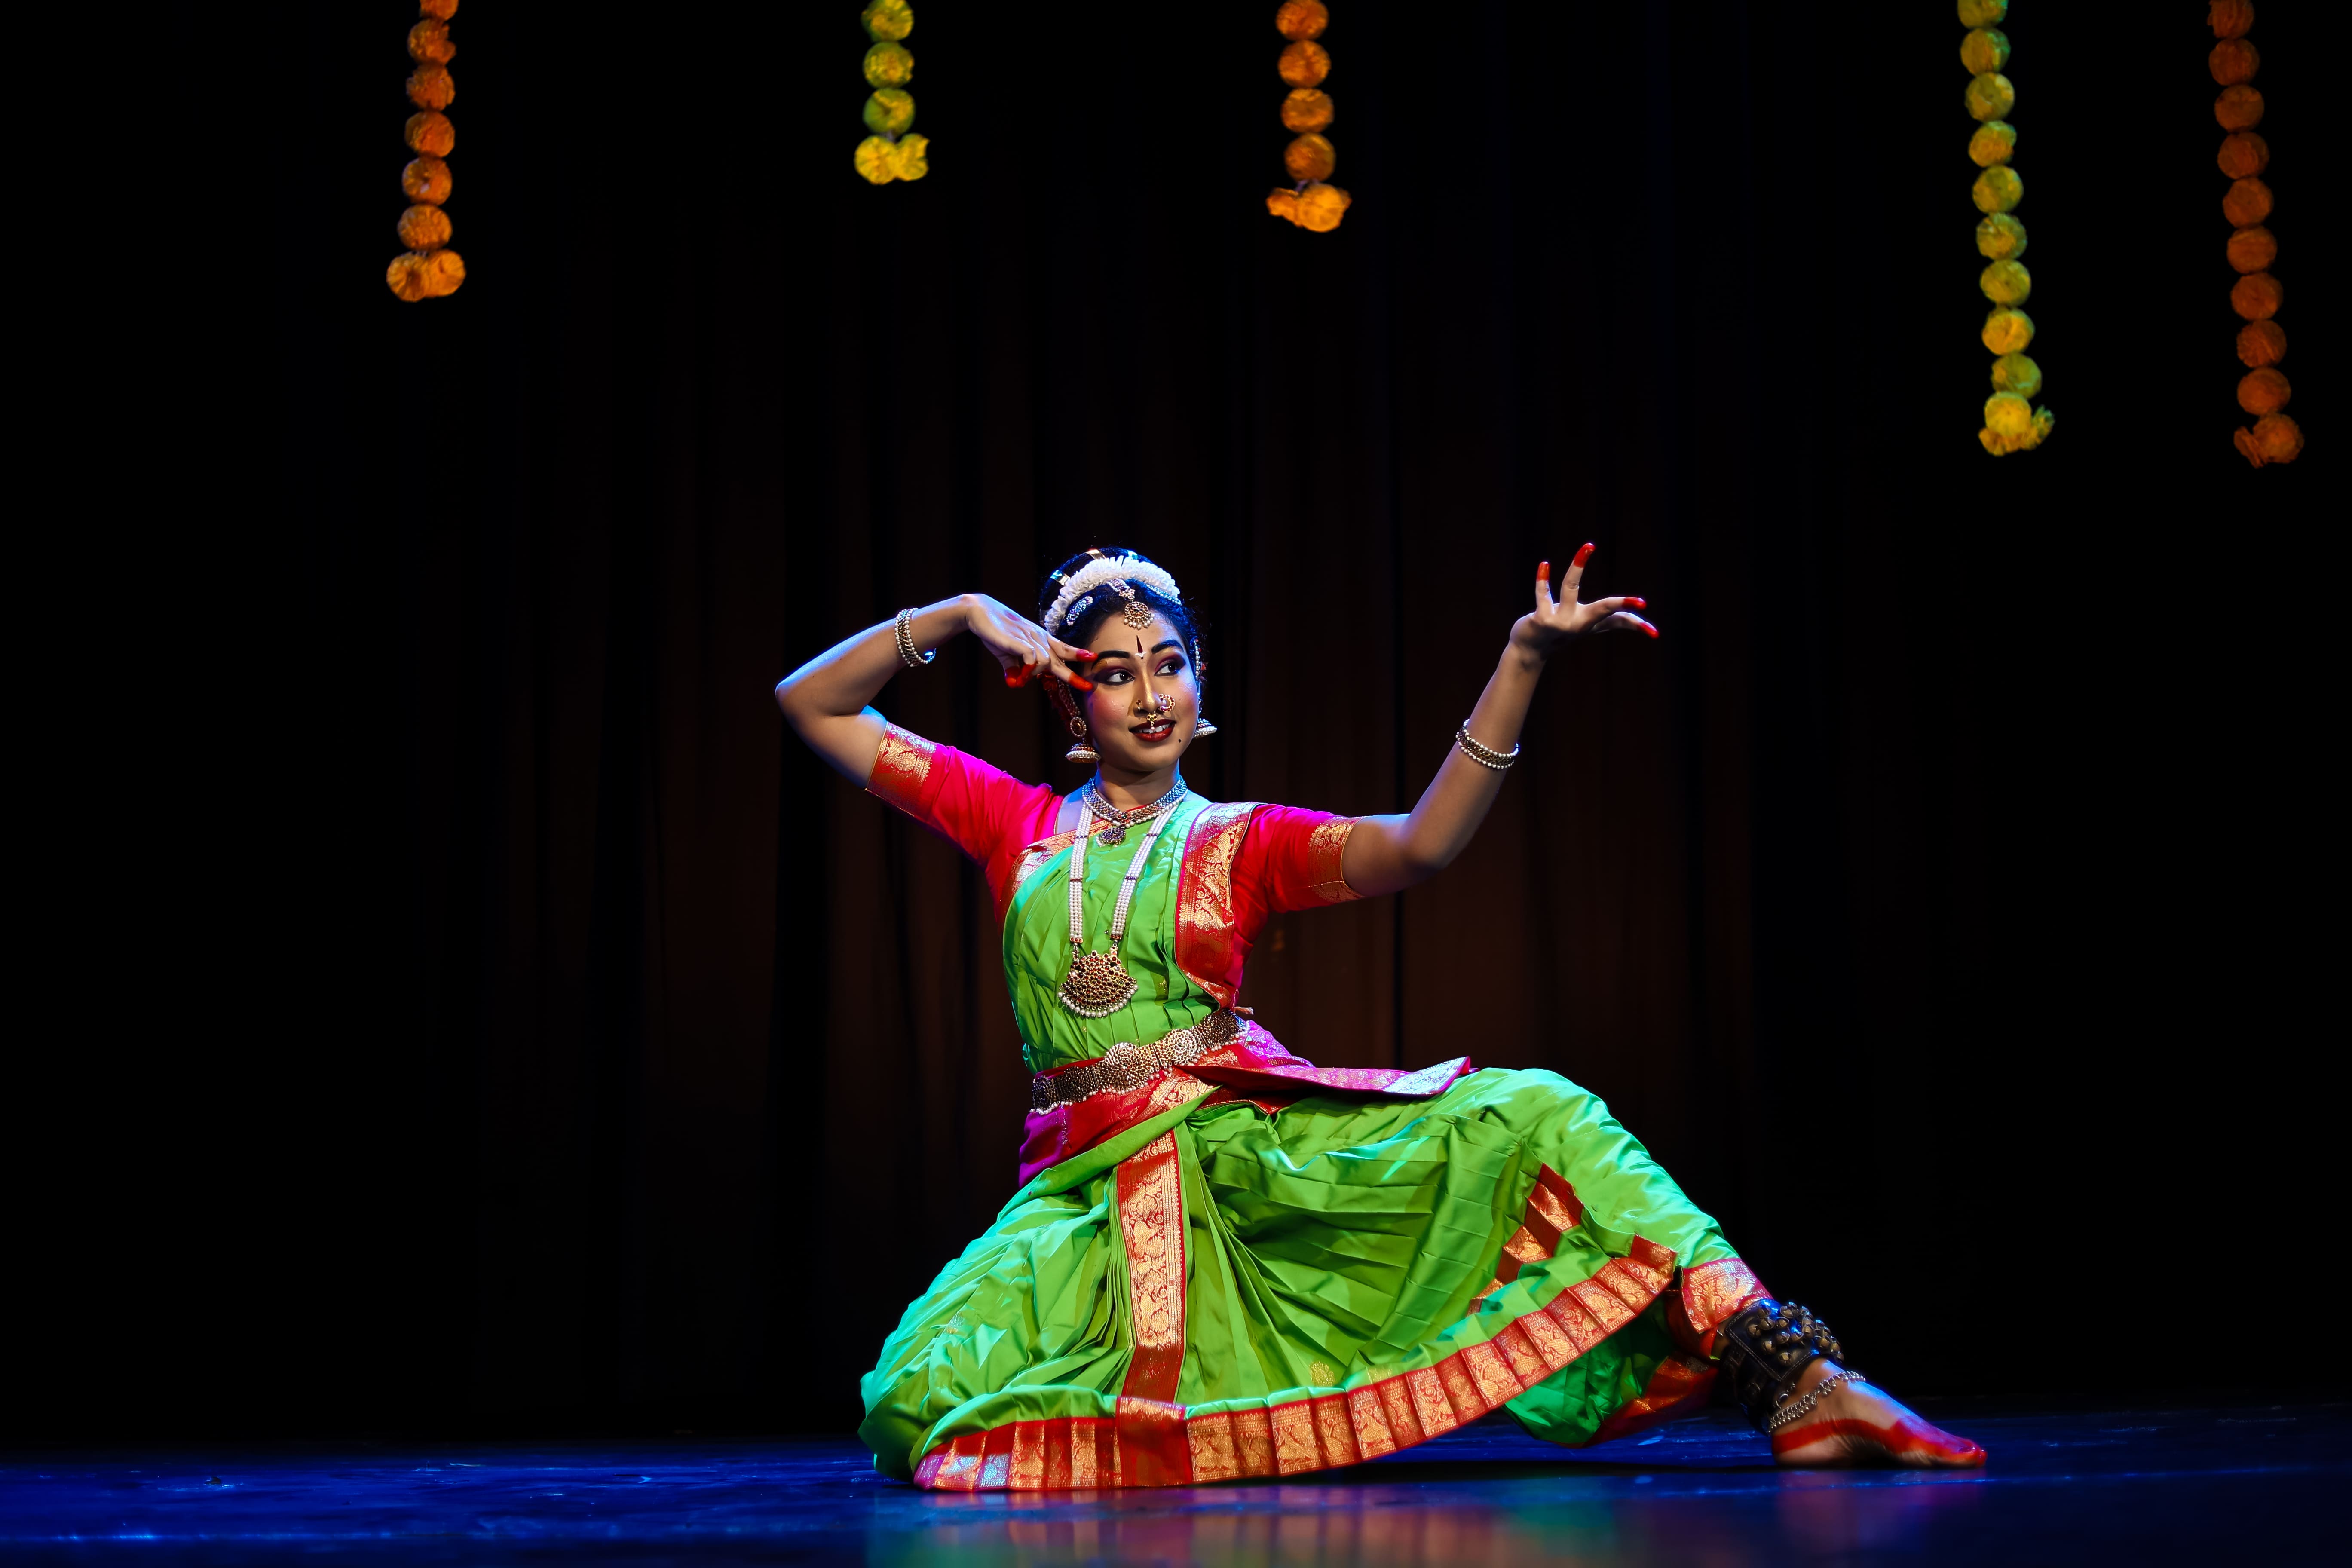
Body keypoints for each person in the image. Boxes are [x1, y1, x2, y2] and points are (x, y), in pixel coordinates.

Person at [775, 547, 1984, 1489]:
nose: (1148, 693)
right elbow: (812, 705)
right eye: (1112, 670)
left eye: (1169, 662)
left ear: (1202, 685)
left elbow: (1423, 843)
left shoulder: (1242, 842)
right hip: (1084, 1199)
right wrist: (960, 616)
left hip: (1239, 1159)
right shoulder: (1009, 824)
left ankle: (1796, 1379)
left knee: (1540, 1114)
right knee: (916, 1403)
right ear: (1067, 700)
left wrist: (1523, 659)